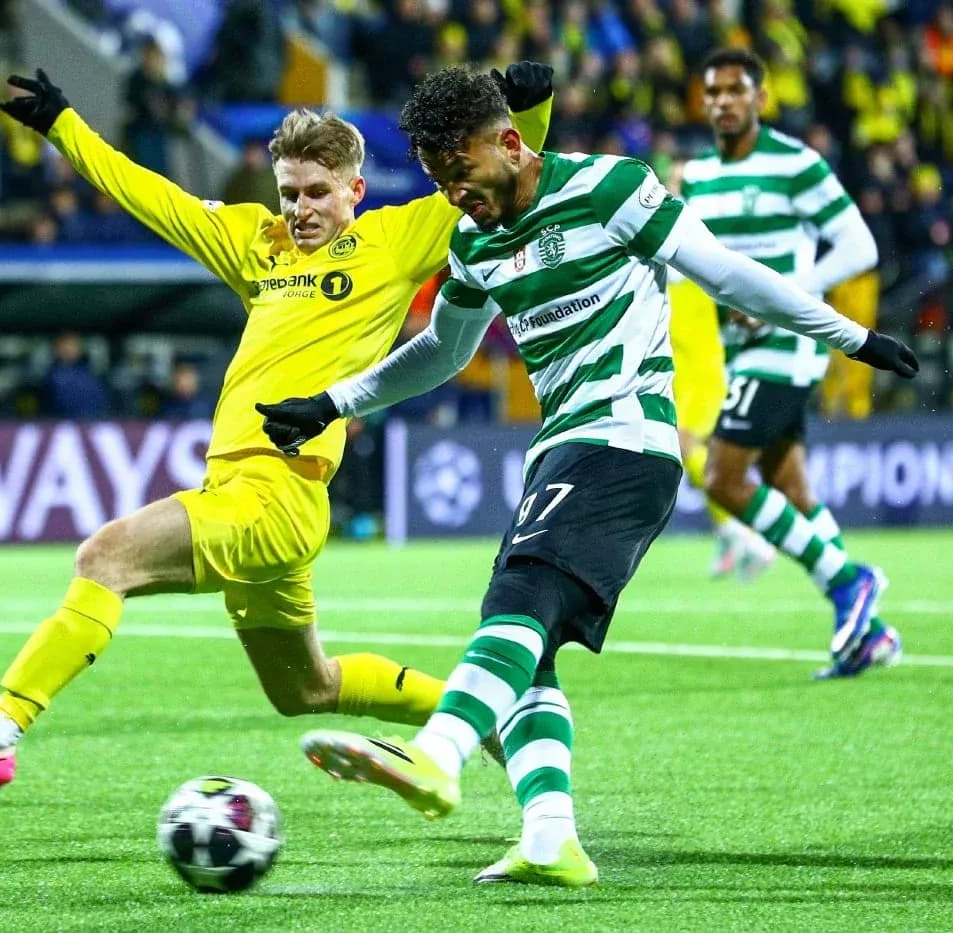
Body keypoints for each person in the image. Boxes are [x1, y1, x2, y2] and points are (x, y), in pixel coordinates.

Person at [256, 66, 917, 887]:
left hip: (627, 442)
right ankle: (549, 836)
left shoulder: (611, 189)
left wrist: (849, 336)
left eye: (461, 174)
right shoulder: (473, 242)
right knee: (528, 650)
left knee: (518, 601)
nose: (455, 195)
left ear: (509, 142)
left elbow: (726, 273)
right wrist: (332, 401)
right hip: (562, 447)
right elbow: (444, 351)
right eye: (437, 181)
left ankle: (437, 754)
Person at [0, 65, 554, 788]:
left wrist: (532, 109)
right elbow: (151, 196)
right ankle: (480, 710)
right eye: (289, 192)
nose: (300, 208)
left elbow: (509, 179)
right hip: (242, 491)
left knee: (105, 557)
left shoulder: (395, 240)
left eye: (318, 192)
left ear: (356, 189)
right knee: (307, 689)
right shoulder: (253, 243)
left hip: (278, 496)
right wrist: (63, 127)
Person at [685, 48, 899, 680]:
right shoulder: (697, 176)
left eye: (735, 90)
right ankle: (871, 633)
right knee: (791, 488)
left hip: (788, 345)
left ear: (761, 98)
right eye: (713, 91)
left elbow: (858, 245)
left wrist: (787, 291)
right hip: (741, 349)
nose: (723, 101)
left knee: (723, 477)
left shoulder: (796, 164)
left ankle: (851, 582)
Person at [664, 160, 774, 581]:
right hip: (682, 367)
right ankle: (732, 532)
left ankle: (749, 530)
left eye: (677, 181)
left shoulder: (691, 232)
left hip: (703, 366)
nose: (668, 186)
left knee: (688, 448)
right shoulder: (662, 234)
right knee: (690, 454)